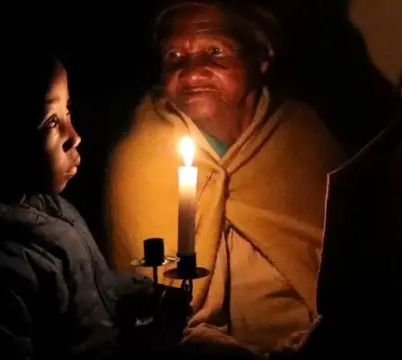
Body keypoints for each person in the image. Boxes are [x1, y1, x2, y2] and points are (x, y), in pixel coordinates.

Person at [105, 0, 347, 356]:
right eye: (174, 56)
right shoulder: (142, 157)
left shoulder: (300, 135)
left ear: (262, 55)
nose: (190, 73)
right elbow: (153, 310)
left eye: (214, 51)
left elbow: (353, 265)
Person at [0, 36, 191, 358]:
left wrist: (144, 295)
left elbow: (93, 287)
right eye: (51, 122)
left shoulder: (56, 210)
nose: (74, 136)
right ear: (1, 138)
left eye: (68, 109)